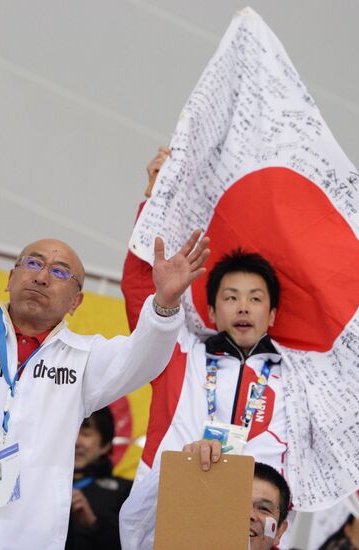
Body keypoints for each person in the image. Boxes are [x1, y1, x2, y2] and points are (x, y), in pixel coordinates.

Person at [0, 161, 210, 550]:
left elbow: (145, 357)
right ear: (10, 279)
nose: (41, 276)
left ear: (76, 302)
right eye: (33, 263)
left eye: (59, 272)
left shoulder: (84, 358)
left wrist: (166, 302)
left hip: (18, 540)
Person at [119, 149, 288, 549]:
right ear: (211, 310)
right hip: (169, 522)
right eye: (231, 297)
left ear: (274, 313)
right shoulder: (181, 353)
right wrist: (155, 197)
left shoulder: (296, 378)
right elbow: (142, 292)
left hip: (254, 531)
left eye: (255, 298)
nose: (243, 306)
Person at [65, 407, 131, 549]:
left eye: (86, 433)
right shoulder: (39, 488)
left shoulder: (126, 492)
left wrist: (93, 523)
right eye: (71, 432)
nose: (76, 442)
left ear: (105, 445)